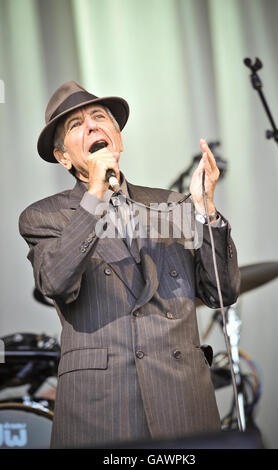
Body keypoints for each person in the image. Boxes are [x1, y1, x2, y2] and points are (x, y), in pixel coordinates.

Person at [19, 81, 240, 448]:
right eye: (75, 125)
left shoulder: (173, 205)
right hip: (101, 410)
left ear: (116, 137)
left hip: (183, 405)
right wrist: (95, 196)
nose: (91, 126)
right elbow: (55, 281)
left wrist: (206, 213)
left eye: (99, 117)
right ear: (63, 157)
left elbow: (222, 291)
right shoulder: (45, 217)